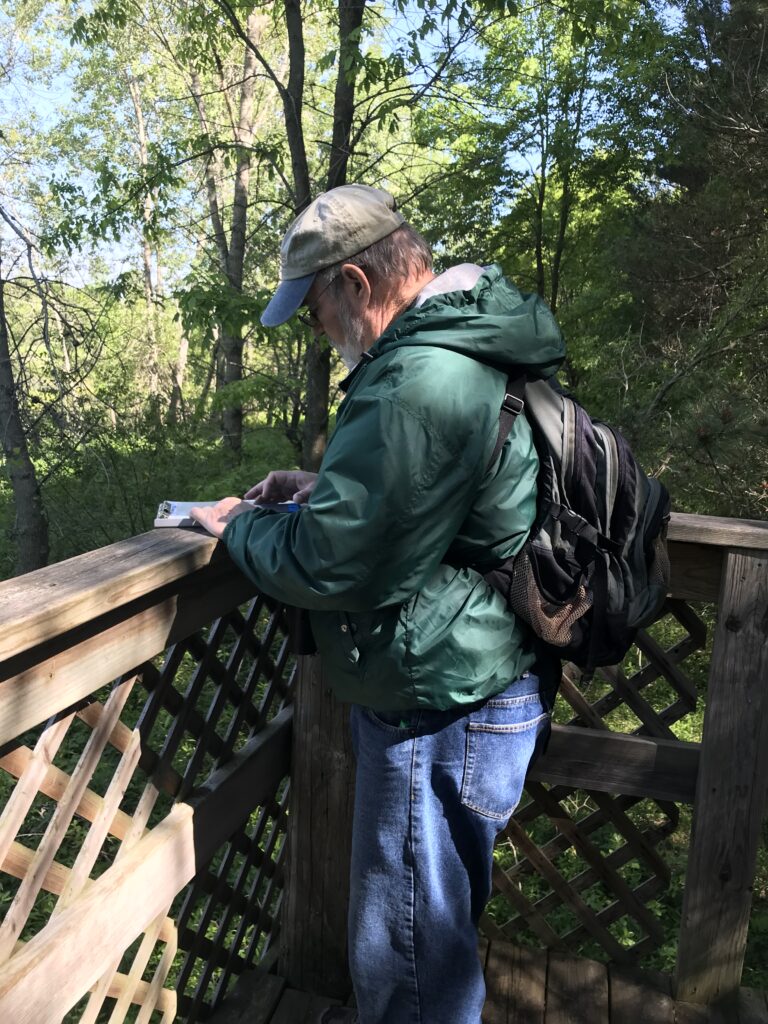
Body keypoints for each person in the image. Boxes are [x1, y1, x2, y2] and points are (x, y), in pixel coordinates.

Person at [191, 184, 565, 1024]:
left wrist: (238, 527)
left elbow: (333, 566)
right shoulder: (467, 345)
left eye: (317, 308)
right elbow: (437, 504)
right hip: (484, 683)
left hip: (438, 708)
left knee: (404, 960)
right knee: (434, 938)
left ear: (358, 285)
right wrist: (326, 487)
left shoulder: (417, 382)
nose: (318, 332)